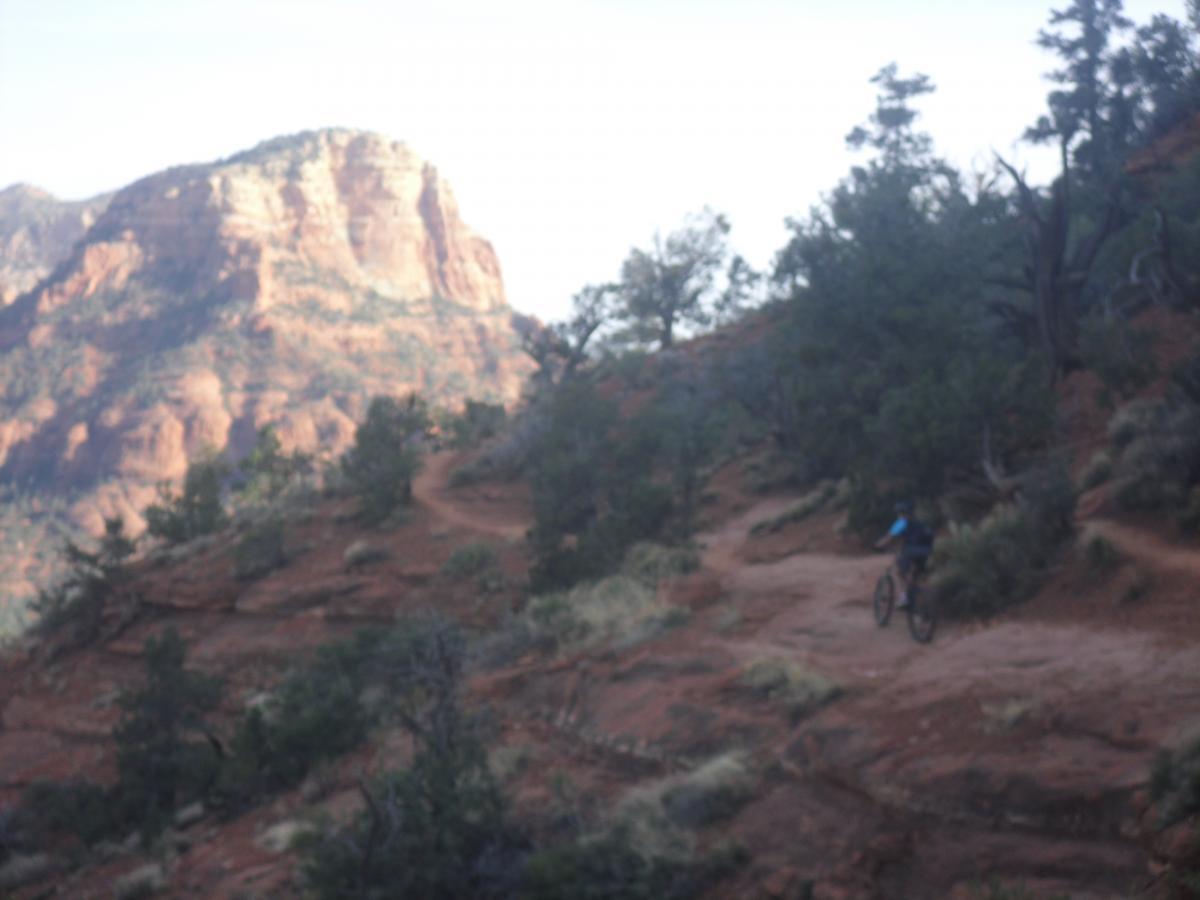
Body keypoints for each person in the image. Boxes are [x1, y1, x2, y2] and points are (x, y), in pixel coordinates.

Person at [874, 501, 934, 608]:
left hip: (911, 551)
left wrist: (878, 546)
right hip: (927, 551)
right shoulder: (920, 523)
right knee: (915, 574)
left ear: (901, 513)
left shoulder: (902, 522)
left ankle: (904, 598)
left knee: (900, 572)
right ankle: (916, 597)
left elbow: (889, 537)